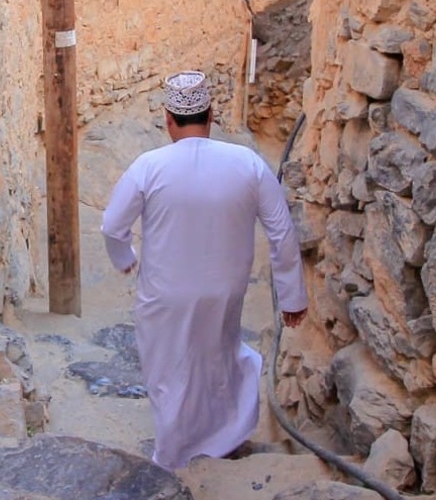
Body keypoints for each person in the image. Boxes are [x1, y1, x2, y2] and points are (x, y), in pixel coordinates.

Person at [100, 70, 308, 470]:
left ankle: (174, 457)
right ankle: (221, 440)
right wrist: (292, 296)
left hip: (164, 294)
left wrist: (124, 258)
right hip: (224, 290)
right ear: (212, 115)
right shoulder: (247, 163)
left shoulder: (149, 166)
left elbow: (112, 226)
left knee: (170, 373)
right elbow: (281, 231)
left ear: (168, 120)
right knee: (218, 361)